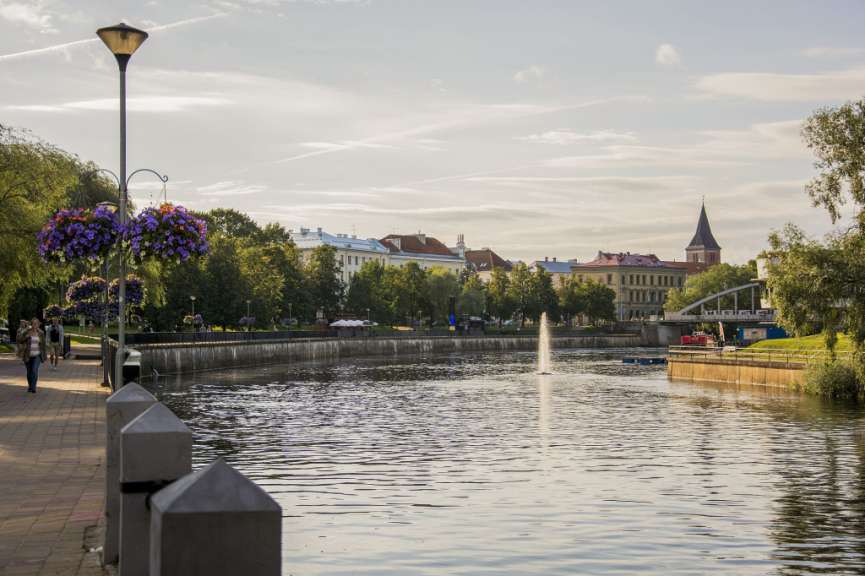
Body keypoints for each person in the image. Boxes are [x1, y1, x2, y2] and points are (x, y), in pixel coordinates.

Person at [17, 317, 46, 394]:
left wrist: (44, 356)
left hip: (37, 355)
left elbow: (43, 345)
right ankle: (30, 386)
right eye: (33, 323)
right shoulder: (26, 331)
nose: (35, 325)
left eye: (36, 323)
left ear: (38, 324)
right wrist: (26, 336)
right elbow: (19, 340)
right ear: (31, 324)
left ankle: (33, 387)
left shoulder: (41, 333)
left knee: (34, 370)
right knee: (29, 372)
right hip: (27, 354)